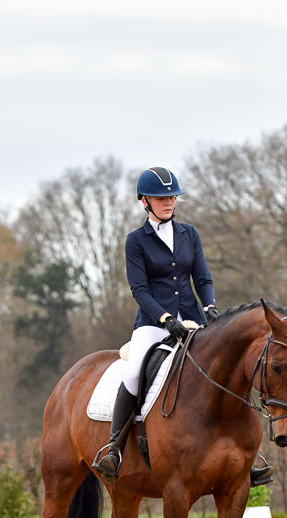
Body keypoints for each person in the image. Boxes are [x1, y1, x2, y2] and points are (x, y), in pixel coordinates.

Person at [92, 166, 273, 487]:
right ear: (145, 201)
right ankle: (114, 448)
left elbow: (202, 278)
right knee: (134, 372)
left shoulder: (190, 234)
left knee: (227, 369)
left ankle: (248, 453)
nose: (168, 202)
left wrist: (210, 307)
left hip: (194, 320)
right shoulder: (136, 241)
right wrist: (164, 319)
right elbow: (139, 289)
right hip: (153, 323)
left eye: (172, 197)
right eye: (161, 198)